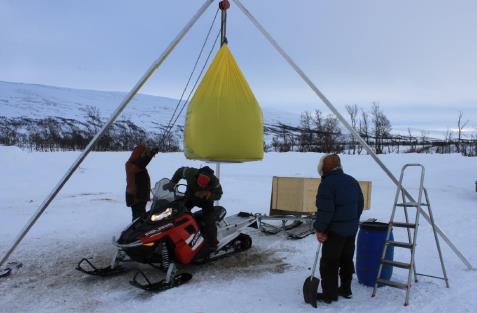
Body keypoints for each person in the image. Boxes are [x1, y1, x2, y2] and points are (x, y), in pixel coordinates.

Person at [313, 154, 364, 303]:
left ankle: (329, 294)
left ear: (324, 167)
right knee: (346, 259)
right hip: (351, 230)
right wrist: (352, 220)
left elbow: (325, 210)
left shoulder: (327, 184)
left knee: (329, 262)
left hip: (335, 232)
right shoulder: (352, 180)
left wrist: (320, 229)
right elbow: (359, 205)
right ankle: (346, 289)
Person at [163, 166, 223, 249]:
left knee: (209, 221)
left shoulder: (215, 181)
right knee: (177, 213)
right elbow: (180, 171)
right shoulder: (190, 173)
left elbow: (219, 195)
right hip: (190, 197)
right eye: (199, 184)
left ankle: (212, 243)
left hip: (206, 201)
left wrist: (208, 194)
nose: (201, 186)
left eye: (203, 185)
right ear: (197, 177)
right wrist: (173, 182)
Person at [125, 144, 159, 221]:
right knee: (138, 218)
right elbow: (141, 163)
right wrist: (151, 154)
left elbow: (142, 163)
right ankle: (136, 232)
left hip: (139, 196)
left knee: (140, 216)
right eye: (143, 153)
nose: (144, 155)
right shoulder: (130, 165)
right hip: (135, 197)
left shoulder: (136, 164)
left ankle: (138, 230)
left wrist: (150, 154)